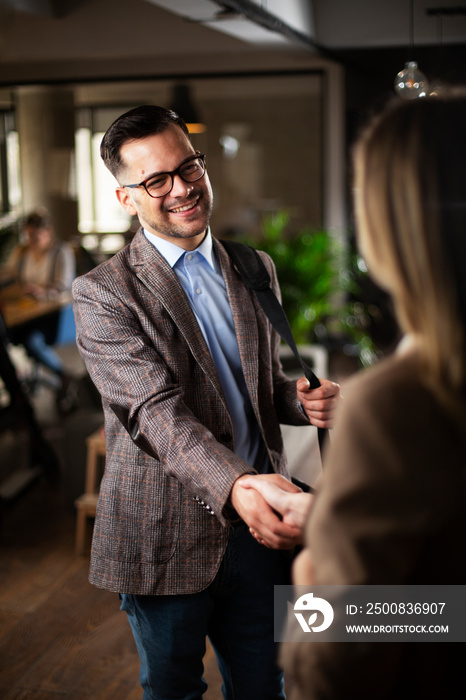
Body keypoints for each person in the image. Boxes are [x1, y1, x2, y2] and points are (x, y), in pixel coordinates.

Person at [71, 104, 340, 700]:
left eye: (187, 166)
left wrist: (299, 401)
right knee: (172, 691)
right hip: (163, 534)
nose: (181, 188)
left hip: (261, 532)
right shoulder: (102, 293)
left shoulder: (253, 266)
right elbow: (154, 412)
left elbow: (259, 385)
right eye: (155, 180)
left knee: (264, 686)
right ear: (126, 198)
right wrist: (239, 484)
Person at [244, 91, 466, 699]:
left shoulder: (398, 402)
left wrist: (318, 564)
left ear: (391, 227)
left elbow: (339, 664)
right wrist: (347, 524)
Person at [5, 210, 77, 411]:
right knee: (8, 335)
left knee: (31, 340)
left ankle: (64, 376)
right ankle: (16, 385)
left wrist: (41, 291)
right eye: (29, 235)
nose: (32, 240)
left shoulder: (61, 251)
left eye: (36, 235)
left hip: (56, 315)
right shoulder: (22, 252)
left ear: (48, 232)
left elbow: (64, 285)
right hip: (28, 312)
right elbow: (10, 278)